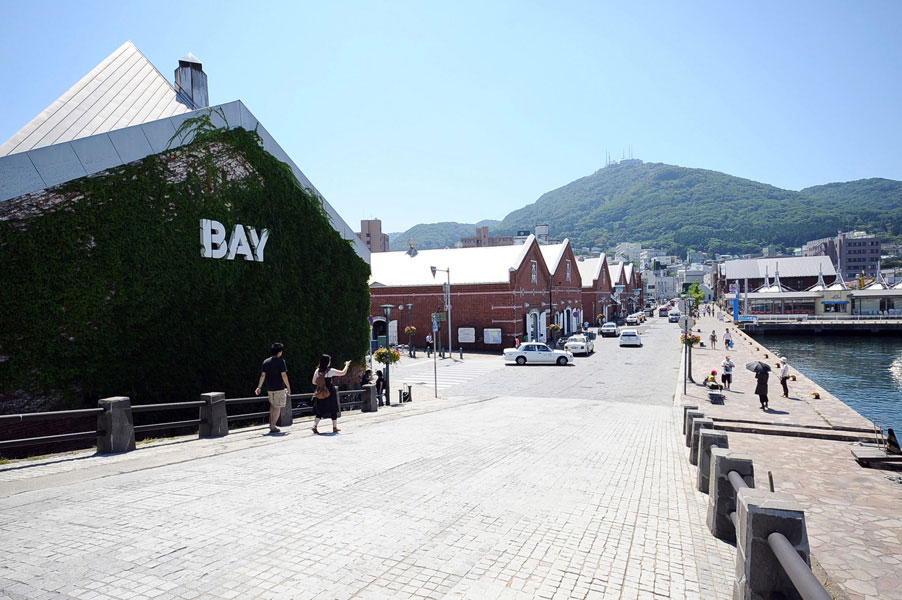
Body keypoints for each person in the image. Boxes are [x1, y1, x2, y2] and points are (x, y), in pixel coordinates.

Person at [254, 342, 291, 434]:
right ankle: (273, 426)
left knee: (273, 406)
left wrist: (259, 387)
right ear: (279, 352)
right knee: (277, 407)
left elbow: (263, 375)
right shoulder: (281, 362)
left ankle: (271, 423)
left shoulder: (266, 362)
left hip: (270, 388)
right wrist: (288, 387)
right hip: (279, 387)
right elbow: (284, 375)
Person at [311, 354, 351, 434]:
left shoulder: (317, 371)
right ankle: (334, 427)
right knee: (333, 409)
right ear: (328, 363)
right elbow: (343, 373)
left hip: (321, 392)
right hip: (330, 392)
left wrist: (321, 384)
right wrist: (346, 365)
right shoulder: (330, 371)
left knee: (320, 410)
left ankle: (315, 426)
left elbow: (313, 382)